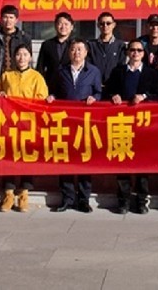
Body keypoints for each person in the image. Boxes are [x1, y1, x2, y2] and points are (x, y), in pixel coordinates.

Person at [104, 39, 158, 215]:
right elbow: (107, 90)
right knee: (123, 163)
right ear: (128, 52)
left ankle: (142, 200)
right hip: (123, 125)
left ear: (143, 54)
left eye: (139, 50)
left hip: (144, 125)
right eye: (132, 50)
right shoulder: (118, 71)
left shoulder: (151, 73)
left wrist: (144, 96)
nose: (135, 53)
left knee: (142, 165)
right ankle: (124, 200)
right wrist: (113, 95)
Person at [47, 39, 102, 213]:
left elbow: (99, 92)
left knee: (84, 160)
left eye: (79, 49)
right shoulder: (61, 71)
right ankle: (67, 198)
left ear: (86, 52)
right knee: (66, 160)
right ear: (69, 52)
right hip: (65, 122)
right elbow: (53, 91)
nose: (76, 52)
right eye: (73, 49)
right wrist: (52, 97)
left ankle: (84, 199)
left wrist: (95, 98)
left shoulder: (93, 71)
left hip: (85, 123)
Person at [0, 44, 49, 213]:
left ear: (30, 57)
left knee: (27, 158)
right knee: (8, 157)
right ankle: (8, 193)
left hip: (28, 124)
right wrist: (0, 95)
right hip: (9, 124)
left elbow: (42, 99)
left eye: (25, 54)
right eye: (18, 54)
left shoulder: (37, 77)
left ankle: (24, 193)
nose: (22, 58)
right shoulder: (6, 75)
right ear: (14, 57)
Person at [0, 4, 32, 86]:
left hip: (18, 78)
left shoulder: (24, 38)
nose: (8, 20)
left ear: (16, 20)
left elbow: (29, 60)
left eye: (11, 17)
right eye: (5, 17)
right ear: (1, 19)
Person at [87, 11, 126, 89]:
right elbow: (88, 66)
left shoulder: (121, 45)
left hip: (114, 87)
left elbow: (121, 67)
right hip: (94, 86)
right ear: (98, 25)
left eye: (108, 23)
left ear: (114, 25)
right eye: (102, 23)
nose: (105, 26)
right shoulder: (91, 45)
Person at [36, 11, 75, 85]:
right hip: (50, 84)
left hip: (70, 84)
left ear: (71, 27)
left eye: (66, 24)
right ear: (55, 25)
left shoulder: (75, 45)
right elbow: (40, 67)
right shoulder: (47, 44)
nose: (63, 27)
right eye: (60, 23)